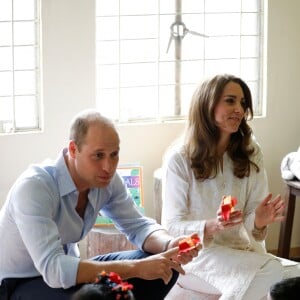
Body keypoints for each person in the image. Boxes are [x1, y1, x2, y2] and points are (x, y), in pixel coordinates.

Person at [0, 109, 201, 300]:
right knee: (95, 297)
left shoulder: (106, 181)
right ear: (73, 149)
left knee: (164, 267)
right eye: (98, 155)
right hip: (18, 282)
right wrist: (137, 268)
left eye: (114, 154)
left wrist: (170, 244)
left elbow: (138, 225)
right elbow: (54, 270)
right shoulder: (35, 187)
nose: (108, 166)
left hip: (67, 274)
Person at [161, 74, 300, 300]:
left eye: (243, 103)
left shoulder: (251, 151)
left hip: (245, 254)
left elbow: (252, 222)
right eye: (230, 101)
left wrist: (259, 220)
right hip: (197, 256)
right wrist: (212, 226)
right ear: (207, 103)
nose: (239, 109)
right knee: (270, 270)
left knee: (296, 275)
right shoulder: (179, 158)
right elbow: (171, 225)